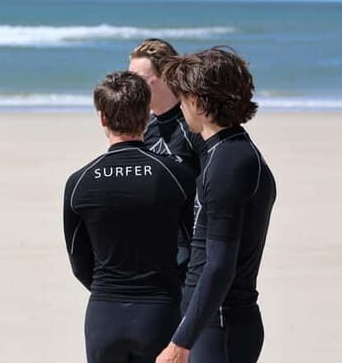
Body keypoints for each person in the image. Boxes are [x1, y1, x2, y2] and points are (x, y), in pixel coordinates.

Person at [64, 71, 195, 363]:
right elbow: (196, 248)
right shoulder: (175, 175)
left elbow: (79, 262)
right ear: (146, 113)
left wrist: (111, 289)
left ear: (102, 118)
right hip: (159, 311)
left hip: (103, 315)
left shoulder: (79, 182)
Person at [156, 48, 276, 363]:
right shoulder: (223, 152)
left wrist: (180, 343)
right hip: (211, 323)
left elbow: (220, 263)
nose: (180, 108)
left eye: (181, 99)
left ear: (196, 101)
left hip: (221, 326)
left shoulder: (230, 163)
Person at [129, 38, 206, 278]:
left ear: (165, 76)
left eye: (137, 79)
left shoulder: (194, 126)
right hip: (155, 248)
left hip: (193, 249)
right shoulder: (144, 127)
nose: (130, 86)